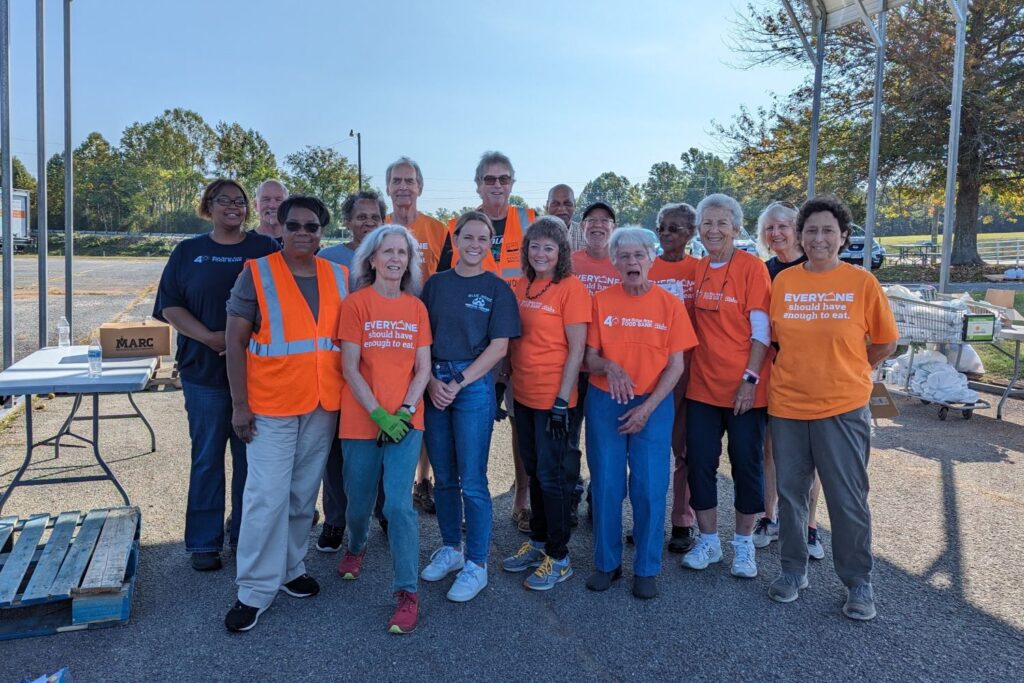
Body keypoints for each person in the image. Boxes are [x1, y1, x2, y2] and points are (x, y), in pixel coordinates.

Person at [767, 195, 898, 621]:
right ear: (801, 237)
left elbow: (885, 341)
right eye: (811, 230)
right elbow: (774, 339)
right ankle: (792, 571)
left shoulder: (862, 283)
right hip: (787, 404)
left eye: (828, 230)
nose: (819, 238)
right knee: (790, 495)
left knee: (847, 498)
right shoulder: (784, 283)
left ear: (843, 237)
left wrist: (855, 370)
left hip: (842, 406)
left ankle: (858, 581)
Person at [222, 196, 348, 632]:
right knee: (265, 497)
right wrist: (240, 405)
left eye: (311, 227)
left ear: (321, 233)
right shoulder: (256, 274)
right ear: (279, 226)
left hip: (320, 404)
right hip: (269, 406)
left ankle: (292, 568)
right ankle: (254, 590)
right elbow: (234, 343)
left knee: (300, 496)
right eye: (293, 225)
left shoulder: (340, 277)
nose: (301, 233)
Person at [153, 179, 278, 572]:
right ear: (208, 206)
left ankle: (245, 537)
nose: (234, 207)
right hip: (203, 373)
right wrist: (208, 337)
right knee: (207, 458)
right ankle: (204, 543)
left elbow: (283, 302)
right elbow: (169, 306)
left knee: (250, 462)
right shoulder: (189, 251)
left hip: (254, 376)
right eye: (224, 200)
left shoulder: (264, 250)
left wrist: (245, 340)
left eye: (240, 202)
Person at [583, 227, 697, 599]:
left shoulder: (669, 304)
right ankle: (607, 563)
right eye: (625, 256)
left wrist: (648, 408)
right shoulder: (600, 301)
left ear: (651, 259)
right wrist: (608, 367)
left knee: (649, 488)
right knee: (606, 485)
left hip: (653, 403)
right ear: (614, 261)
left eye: (639, 255)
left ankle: (647, 567)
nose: (633, 262)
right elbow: (589, 357)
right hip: (605, 402)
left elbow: (676, 366)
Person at [334, 225, 432, 634]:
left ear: (409, 262)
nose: (395, 259)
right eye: (387, 252)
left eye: (402, 253)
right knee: (358, 502)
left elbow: (423, 366)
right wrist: (379, 415)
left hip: (407, 422)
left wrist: (405, 412)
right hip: (362, 420)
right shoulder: (356, 304)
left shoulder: (417, 308)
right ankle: (356, 546)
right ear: (372, 259)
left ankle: (406, 593)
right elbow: (349, 367)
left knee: (397, 505)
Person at [419, 211, 520, 602]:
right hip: (435, 381)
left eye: (483, 238)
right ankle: (451, 549)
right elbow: (421, 336)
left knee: (474, 481)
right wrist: (430, 381)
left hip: (473, 385)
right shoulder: (436, 284)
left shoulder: (496, 289)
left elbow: (500, 347)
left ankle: (476, 563)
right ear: (456, 240)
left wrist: (459, 382)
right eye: (468, 237)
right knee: (444, 476)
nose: (475, 244)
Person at [439, 151, 537, 533]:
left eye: (504, 178)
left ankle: (521, 496)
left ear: (513, 183)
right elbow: (448, 283)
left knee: (519, 422)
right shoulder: (457, 227)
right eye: (489, 179)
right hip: (472, 349)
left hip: (519, 339)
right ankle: (466, 499)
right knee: (463, 426)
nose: (497, 185)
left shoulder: (529, 221)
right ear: (477, 184)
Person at [681, 193, 772, 580]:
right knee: (700, 463)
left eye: (722, 223)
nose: (714, 230)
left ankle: (743, 545)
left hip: (745, 389)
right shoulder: (698, 268)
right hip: (702, 386)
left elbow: (762, 331)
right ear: (698, 229)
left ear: (736, 228)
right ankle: (709, 541)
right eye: (707, 223)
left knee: (746, 466)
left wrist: (749, 381)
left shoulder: (751, 268)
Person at [501, 217, 590, 590]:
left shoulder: (571, 289)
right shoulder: (523, 285)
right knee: (536, 471)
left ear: (561, 253)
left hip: (555, 400)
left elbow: (577, 350)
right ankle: (538, 541)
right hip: (524, 395)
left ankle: (560, 556)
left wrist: (560, 401)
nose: (540, 253)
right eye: (535, 246)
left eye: (548, 248)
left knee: (553, 478)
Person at [315, 190, 388, 552]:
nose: (368, 223)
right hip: (337, 366)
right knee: (337, 451)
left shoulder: (391, 255)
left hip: (382, 366)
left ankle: (385, 511)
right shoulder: (328, 258)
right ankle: (336, 520)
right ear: (348, 220)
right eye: (361, 216)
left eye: (375, 217)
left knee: (385, 440)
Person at [753, 200, 825, 560]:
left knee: (811, 457)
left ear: (797, 229)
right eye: (770, 228)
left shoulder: (815, 267)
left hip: (812, 375)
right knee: (771, 450)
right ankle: (770, 517)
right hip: (773, 371)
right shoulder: (763, 270)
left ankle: (811, 528)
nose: (776, 233)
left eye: (783, 226)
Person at [384, 157, 448, 516]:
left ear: (420, 187)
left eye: (410, 180)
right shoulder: (380, 227)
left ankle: (426, 479)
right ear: (388, 187)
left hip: (429, 330)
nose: (404, 187)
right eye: (397, 181)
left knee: (426, 405)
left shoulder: (438, 230)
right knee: (394, 401)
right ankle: (395, 487)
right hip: (389, 332)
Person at [648, 203, 701, 555]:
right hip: (651, 369)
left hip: (690, 369)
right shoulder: (645, 267)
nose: (668, 234)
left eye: (677, 229)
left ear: (691, 233)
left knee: (683, 448)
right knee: (649, 450)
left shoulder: (700, 270)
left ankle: (683, 521)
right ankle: (647, 521)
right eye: (663, 228)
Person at [567, 201, 620, 523]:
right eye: (591, 220)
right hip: (573, 367)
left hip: (606, 367)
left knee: (605, 441)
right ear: (582, 227)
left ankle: (599, 499)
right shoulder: (569, 264)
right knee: (569, 441)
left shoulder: (623, 262)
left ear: (613, 227)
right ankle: (570, 497)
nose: (598, 225)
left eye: (605, 220)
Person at [546, 184, 585, 252]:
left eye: (567, 204)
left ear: (575, 205)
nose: (561, 208)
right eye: (555, 204)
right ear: (547, 206)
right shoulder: (534, 234)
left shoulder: (586, 236)